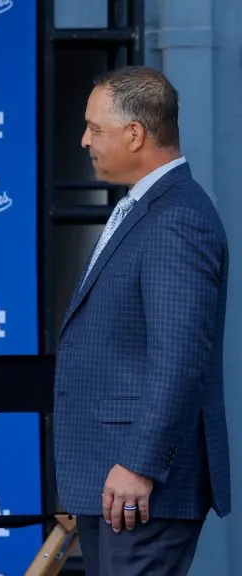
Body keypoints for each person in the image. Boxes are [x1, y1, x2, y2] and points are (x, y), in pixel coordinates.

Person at [54, 65, 230, 575]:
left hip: (141, 485)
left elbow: (179, 357)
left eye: (95, 128)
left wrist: (139, 464)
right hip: (115, 482)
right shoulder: (144, 206)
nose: (84, 140)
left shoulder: (177, 217)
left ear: (136, 134)